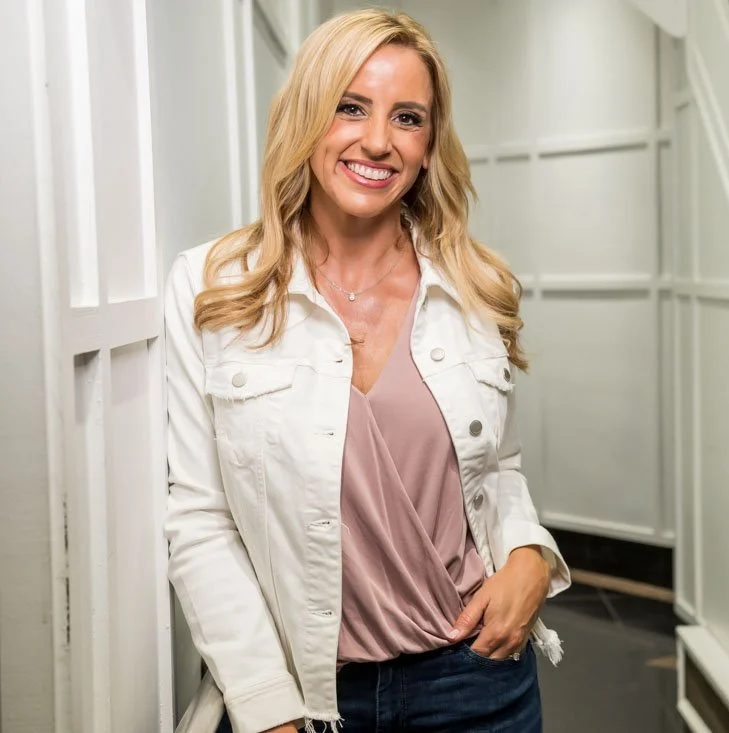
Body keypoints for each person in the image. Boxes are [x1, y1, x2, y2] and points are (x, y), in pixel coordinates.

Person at [163, 10, 570, 733]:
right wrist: (264, 705)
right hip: (306, 692)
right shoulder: (212, 284)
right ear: (308, 115)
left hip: (475, 680)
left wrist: (530, 553)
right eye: (351, 106)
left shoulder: (476, 287)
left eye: (407, 118)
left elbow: (495, 469)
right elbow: (199, 516)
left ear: (427, 146)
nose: (377, 140)